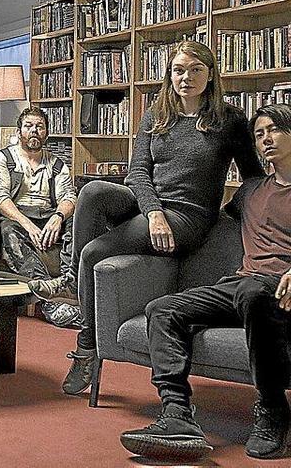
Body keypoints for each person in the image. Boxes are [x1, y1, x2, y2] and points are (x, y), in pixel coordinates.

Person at [41, 40, 264, 397]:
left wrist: (230, 215)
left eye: (195, 70)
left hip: (187, 217)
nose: (186, 77)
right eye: (178, 70)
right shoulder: (157, 114)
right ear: (169, 75)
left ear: (210, 75)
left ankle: (86, 346)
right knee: (93, 191)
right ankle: (71, 279)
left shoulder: (229, 120)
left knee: (94, 253)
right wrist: (154, 212)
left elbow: (253, 177)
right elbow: (138, 172)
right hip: (152, 206)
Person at [120, 103, 291, 462]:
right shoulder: (250, 191)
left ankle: (273, 410)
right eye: (259, 134)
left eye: (274, 130)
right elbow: (214, 222)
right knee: (162, 309)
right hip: (243, 285)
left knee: (253, 292)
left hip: (279, 291)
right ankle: (176, 414)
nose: (265, 139)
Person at [0, 107, 81, 328]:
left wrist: (58, 217)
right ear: (19, 131)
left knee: (76, 221)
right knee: (8, 230)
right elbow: (1, 200)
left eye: (40, 126)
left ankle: (68, 283)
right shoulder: (3, 159)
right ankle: (49, 299)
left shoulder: (57, 164)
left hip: (48, 215)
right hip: (17, 216)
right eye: (28, 126)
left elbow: (69, 197)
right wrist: (28, 225)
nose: (34, 131)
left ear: (46, 133)